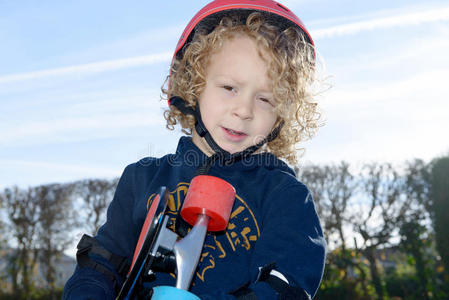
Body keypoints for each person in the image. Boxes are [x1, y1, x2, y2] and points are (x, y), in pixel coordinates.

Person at [63, 0, 326, 299]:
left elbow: (285, 284)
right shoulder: (142, 179)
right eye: (229, 87)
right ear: (193, 86)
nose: (243, 109)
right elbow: (100, 265)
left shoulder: (285, 197)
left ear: (283, 114)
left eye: (265, 99)